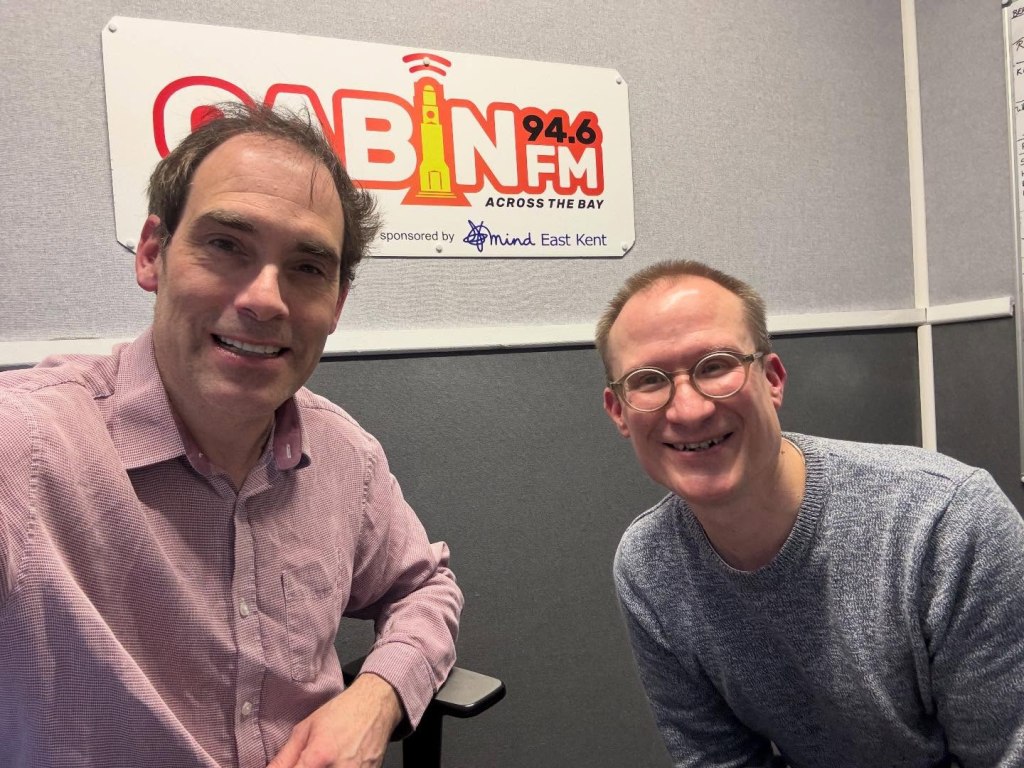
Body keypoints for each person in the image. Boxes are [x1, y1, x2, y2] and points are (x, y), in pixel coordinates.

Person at [0, 103, 462, 768]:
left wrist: (377, 696)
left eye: (307, 267)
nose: (266, 299)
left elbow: (424, 587)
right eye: (225, 245)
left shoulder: (346, 457)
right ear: (154, 254)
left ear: (336, 304)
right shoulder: (26, 448)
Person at [596, 259, 1024, 767]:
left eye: (716, 365)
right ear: (619, 412)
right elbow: (717, 760)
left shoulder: (947, 522)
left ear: (772, 379)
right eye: (648, 380)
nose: (689, 410)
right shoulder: (649, 564)